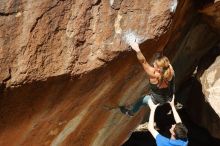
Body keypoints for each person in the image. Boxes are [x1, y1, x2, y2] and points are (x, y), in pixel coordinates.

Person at [120, 42, 175, 116]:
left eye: (155, 64)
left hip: (156, 100)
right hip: (169, 96)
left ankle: (130, 113)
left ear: (158, 68)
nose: (153, 64)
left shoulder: (153, 75)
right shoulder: (170, 71)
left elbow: (143, 62)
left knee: (142, 100)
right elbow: (166, 63)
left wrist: (137, 50)